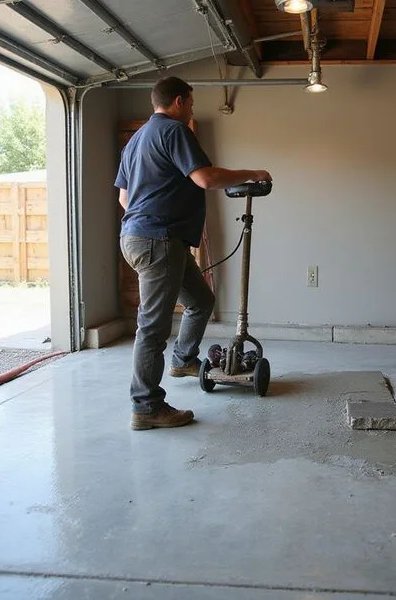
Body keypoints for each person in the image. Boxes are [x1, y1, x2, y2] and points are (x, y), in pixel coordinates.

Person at [115, 75, 271, 431]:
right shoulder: (174, 132)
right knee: (152, 329)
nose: (191, 111)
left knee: (200, 300)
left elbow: (124, 199)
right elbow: (205, 178)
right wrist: (252, 173)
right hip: (159, 241)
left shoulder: (137, 139)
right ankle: (146, 407)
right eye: (192, 104)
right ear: (181, 101)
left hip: (142, 237)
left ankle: (184, 359)